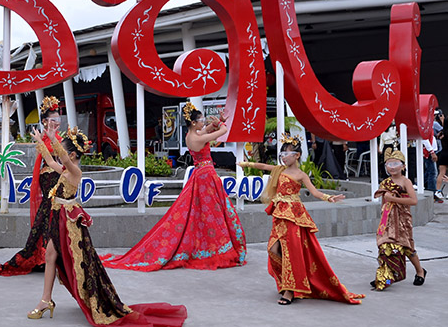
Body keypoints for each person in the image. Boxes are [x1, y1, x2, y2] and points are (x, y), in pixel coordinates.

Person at [28, 126, 186, 327]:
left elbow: (63, 160)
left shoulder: (75, 171)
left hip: (68, 224)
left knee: (76, 263)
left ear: (72, 154)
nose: (59, 156)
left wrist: (51, 138)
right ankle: (45, 300)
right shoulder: (65, 170)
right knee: (50, 256)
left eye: (62, 152)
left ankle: (59, 299)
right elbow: (50, 162)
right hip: (57, 218)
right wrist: (41, 142)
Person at [101, 102, 246, 271]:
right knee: (210, 212)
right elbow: (222, 132)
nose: (203, 122)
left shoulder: (192, 135)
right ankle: (213, 249)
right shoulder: (197, 138)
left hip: (204, 174)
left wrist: (216, 122)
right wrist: (221, 124)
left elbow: (208, 130)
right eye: (201, 120)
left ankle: (209, 247)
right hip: (206, 177)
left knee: (204, 212)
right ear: (193, 123)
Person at [239, 135, 363, 305]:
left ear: (297, 156)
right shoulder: (279, 170)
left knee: (290, 253)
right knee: (273, 250)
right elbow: (264, 166)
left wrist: (329, 198)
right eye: (282, 153)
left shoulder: (301, 175)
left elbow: (315, 192)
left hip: (294, 217)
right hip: (279, 216)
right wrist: (246, 164)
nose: (283, 156)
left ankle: (290, 291)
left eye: (287, 153)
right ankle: (287, 282)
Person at [0, 95, 62, 276]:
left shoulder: (57, 138)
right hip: (49, 182)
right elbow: (48, 160)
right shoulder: (47, 139)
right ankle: (45, 256)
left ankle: (54, 256)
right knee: (47, 218)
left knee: (52, 219)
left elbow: (62, 159)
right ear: (44, 121)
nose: (56, 122)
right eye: (52, 119)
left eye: (58, 119)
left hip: (57, 181)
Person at [370, 148, 426, 290]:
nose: (392, 167)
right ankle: (385, 275)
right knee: (385, 247)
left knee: (407, 247)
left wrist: (394, 199)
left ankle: (420, 271)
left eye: (396, 163)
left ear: (403, 166)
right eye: (389, 164)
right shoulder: (385, 182)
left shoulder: (405, 182)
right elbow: (384, 203)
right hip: (388, 220)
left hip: (402, 220)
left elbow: (413, 201)